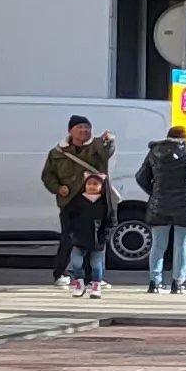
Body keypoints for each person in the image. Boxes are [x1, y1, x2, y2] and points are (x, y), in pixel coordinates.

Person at [44, 117, 116, 293]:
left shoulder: (97, 145)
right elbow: (48, 175)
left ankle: (93, 278)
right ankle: (60, 273)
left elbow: (107, 152)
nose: (84, 130)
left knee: (94, 238)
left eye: (87, 127)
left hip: (94, 201)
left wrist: (109, 141)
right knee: (68, 238)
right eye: (80, 127)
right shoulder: (57, 152)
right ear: (70, 131)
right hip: (69, 201)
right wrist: (58, 188)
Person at [138, 123, 186, 296]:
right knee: (182, 245)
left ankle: (155, 283)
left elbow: (141, 177)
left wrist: (154, 192)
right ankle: (179, 283)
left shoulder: (154, 153)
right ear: (185, 137)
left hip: (160, 204)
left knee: (158, 244)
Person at [58, 169, 112, 300]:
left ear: (102, 187)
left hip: (97, 240)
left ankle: (96, 286)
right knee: (76, 262)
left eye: (95, 184)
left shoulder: (105, 203)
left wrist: (105, 235)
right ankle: (79, 284)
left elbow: (111, 221)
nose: (91, 186)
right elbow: (66, 215)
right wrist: (70, 231)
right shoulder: (77, 201)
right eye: (89, 183)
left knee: (96, 265)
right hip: (79, 238)